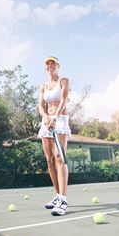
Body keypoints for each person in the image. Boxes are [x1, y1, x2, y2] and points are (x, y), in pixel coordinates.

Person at [38, 56, 71, 216]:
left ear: (58, 66)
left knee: (60, 157)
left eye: (53, 63)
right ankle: (57, 196)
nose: (50, 66)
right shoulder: (43, 86)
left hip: (60, 121)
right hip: (46, 122)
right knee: (49, 159)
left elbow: (63, 100)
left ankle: (63, 200)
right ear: (46, 68)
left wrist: (55, 118)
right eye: (48, 64)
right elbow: (40, 105)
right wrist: (45, 117)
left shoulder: (63, 81)